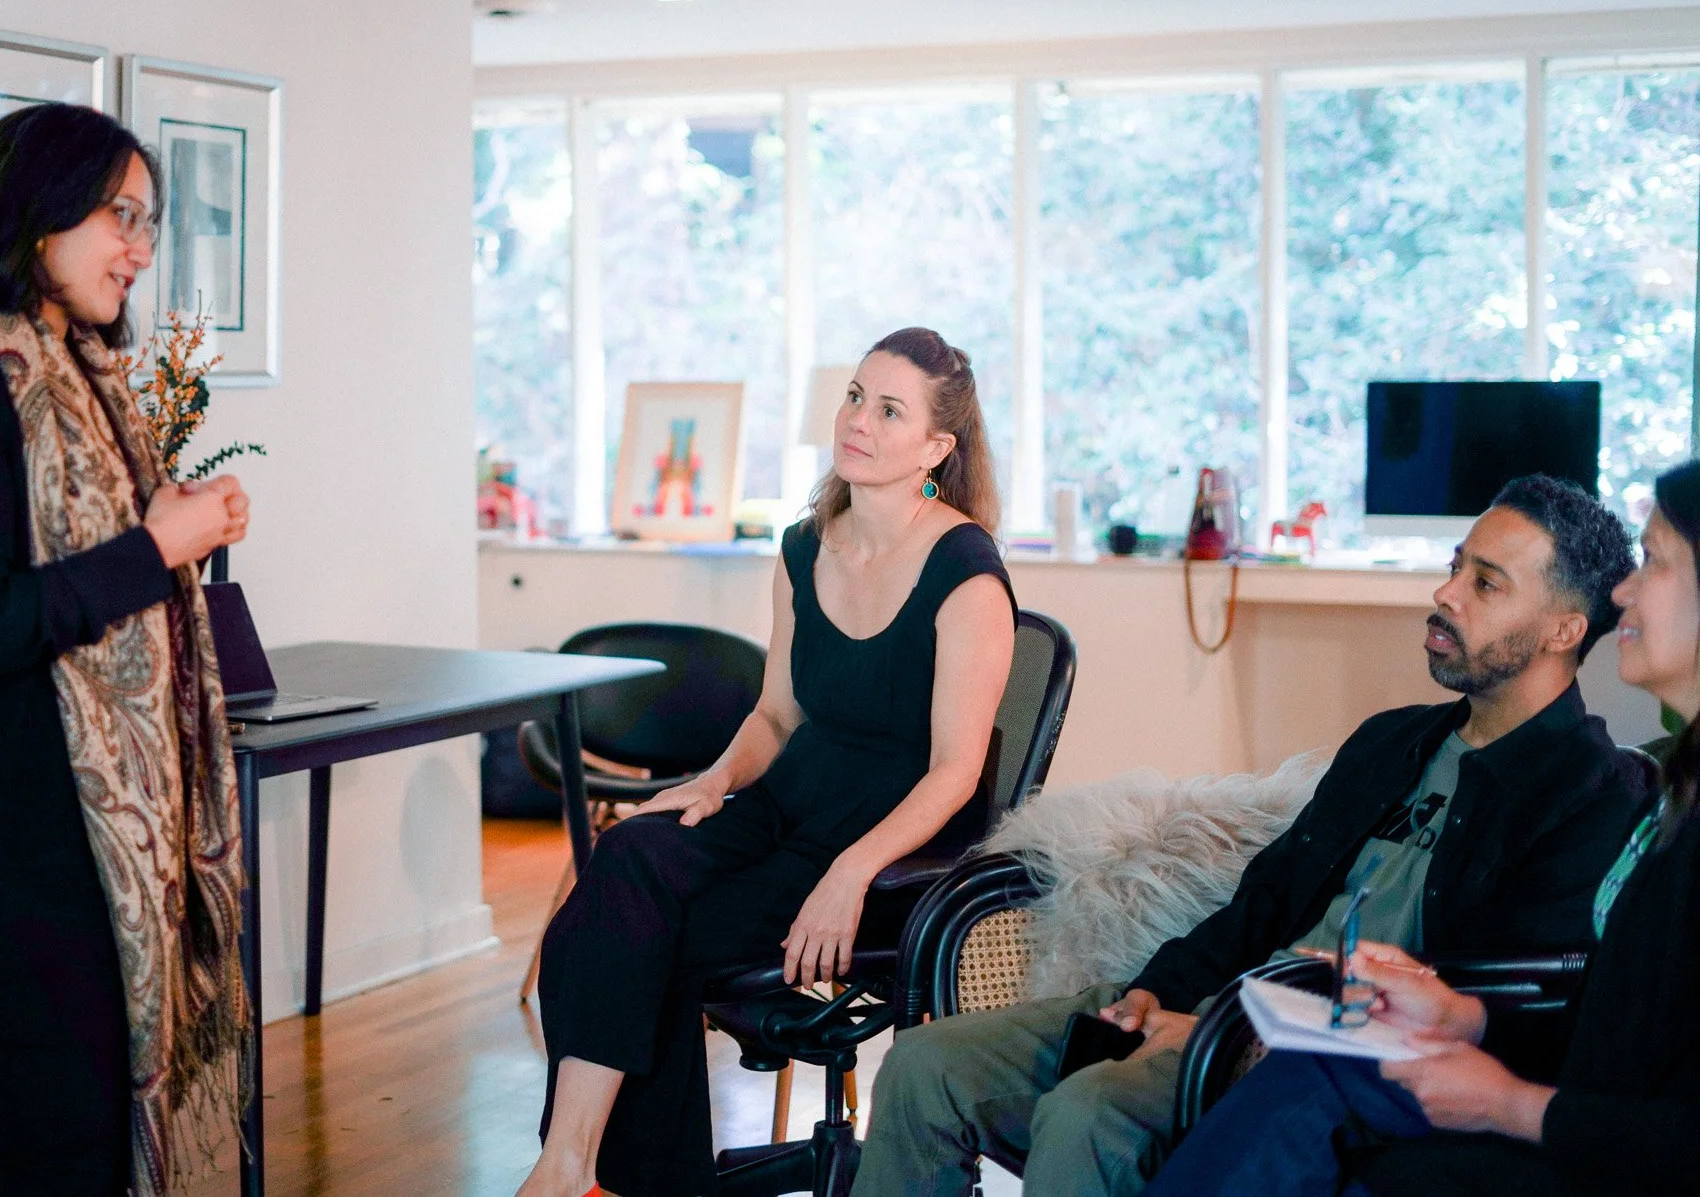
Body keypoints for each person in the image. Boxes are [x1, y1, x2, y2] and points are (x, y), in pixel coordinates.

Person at [852, 475, 1651, 1197]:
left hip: (1302, 1049)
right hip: (1217, 1002)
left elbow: (1490, 1005)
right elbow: (1264, 895)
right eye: (1454, 565)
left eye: (1486, 583)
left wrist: (1221, 1024)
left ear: (1561, 630)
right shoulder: (1390, 743)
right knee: (924, 1066)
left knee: (1089, 1111)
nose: (1445, 594)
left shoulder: (1589, 795)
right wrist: (1158, 991)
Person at [516, 327, 1019, 1197]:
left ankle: (599, 1176)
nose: (858, 419)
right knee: (629, 857)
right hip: (784, 807)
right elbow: (777, 713)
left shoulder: (966, 571)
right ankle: (568, 1167)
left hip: (888, 853)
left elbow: (956, 770)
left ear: (937, 446)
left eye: (889, 408)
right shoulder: (804, 547)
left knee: (633, 938)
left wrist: (853, 871)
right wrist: (712, 780)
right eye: (856, 395)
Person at [0, 103, 254, 1196]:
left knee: (109, 1155)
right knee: (58, 1160)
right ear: (33, 216)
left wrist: (171, 527)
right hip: (10, 859)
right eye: (117, 214)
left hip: (94, 845)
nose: (139, 245)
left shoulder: (79, 384)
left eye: (149, 221)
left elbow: (80, 578)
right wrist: (153, 547)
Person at [1146, 460, 1700, 1197]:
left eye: (1656, 560)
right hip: (1566, 1113)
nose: (1624, 590)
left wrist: (1515, 1104)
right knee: (1327, 1075)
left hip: (1591, 1152)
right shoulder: (1681, 786)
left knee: (1324, 1093)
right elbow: (1614, 1016)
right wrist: (1467, 1018)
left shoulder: (1604, 790)